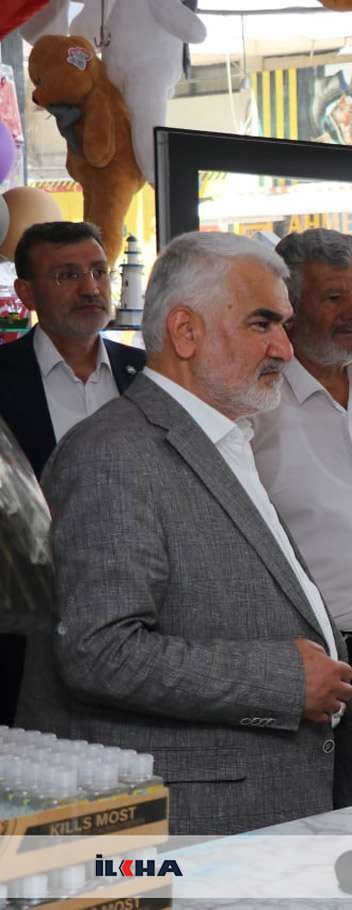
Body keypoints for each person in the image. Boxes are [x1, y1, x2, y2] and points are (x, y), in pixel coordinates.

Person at [16, 231, 352, 835]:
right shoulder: (113, 455)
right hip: (196, 826)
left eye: (282, 323)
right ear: (185, 332)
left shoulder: (225, 437)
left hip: (263, 810)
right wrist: (282, 680)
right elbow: (100, 651)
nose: (285, 345)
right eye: (263, 324)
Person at [250, 228, 352, 803]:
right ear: (291, 310)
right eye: (334, 298)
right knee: (327, 815)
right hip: (316, 660)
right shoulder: (260, 407)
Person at [0, 222, 147, 726]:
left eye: (98, 272)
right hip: (26, 623)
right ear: (26, 292)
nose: (91, 288)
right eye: (67, 275)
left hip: (138, 612)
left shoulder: (150, 375)